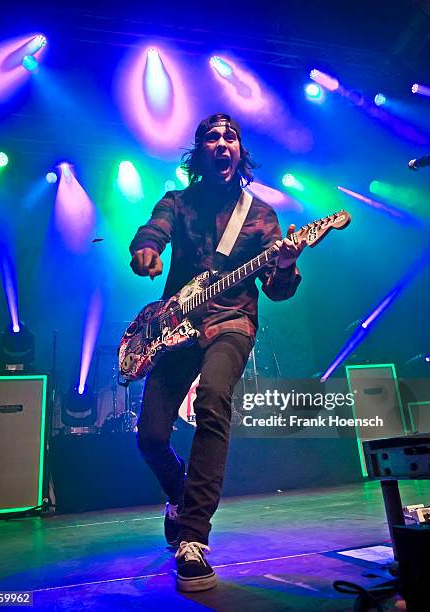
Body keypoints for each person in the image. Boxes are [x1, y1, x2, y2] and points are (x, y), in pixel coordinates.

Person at [129, 113, 306, 592]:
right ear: (200, 151)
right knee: (149, 437)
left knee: (212, 402)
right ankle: (180, 497)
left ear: (239, 152)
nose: (222, 143)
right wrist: (146, 250)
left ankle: (193, 539)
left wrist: (285, 264)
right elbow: (154, 229)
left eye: (231, 137)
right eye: (213, 137)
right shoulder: (178, 202)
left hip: (231, 322)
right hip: (176, 327)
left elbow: (278, 291)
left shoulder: (261, 216)